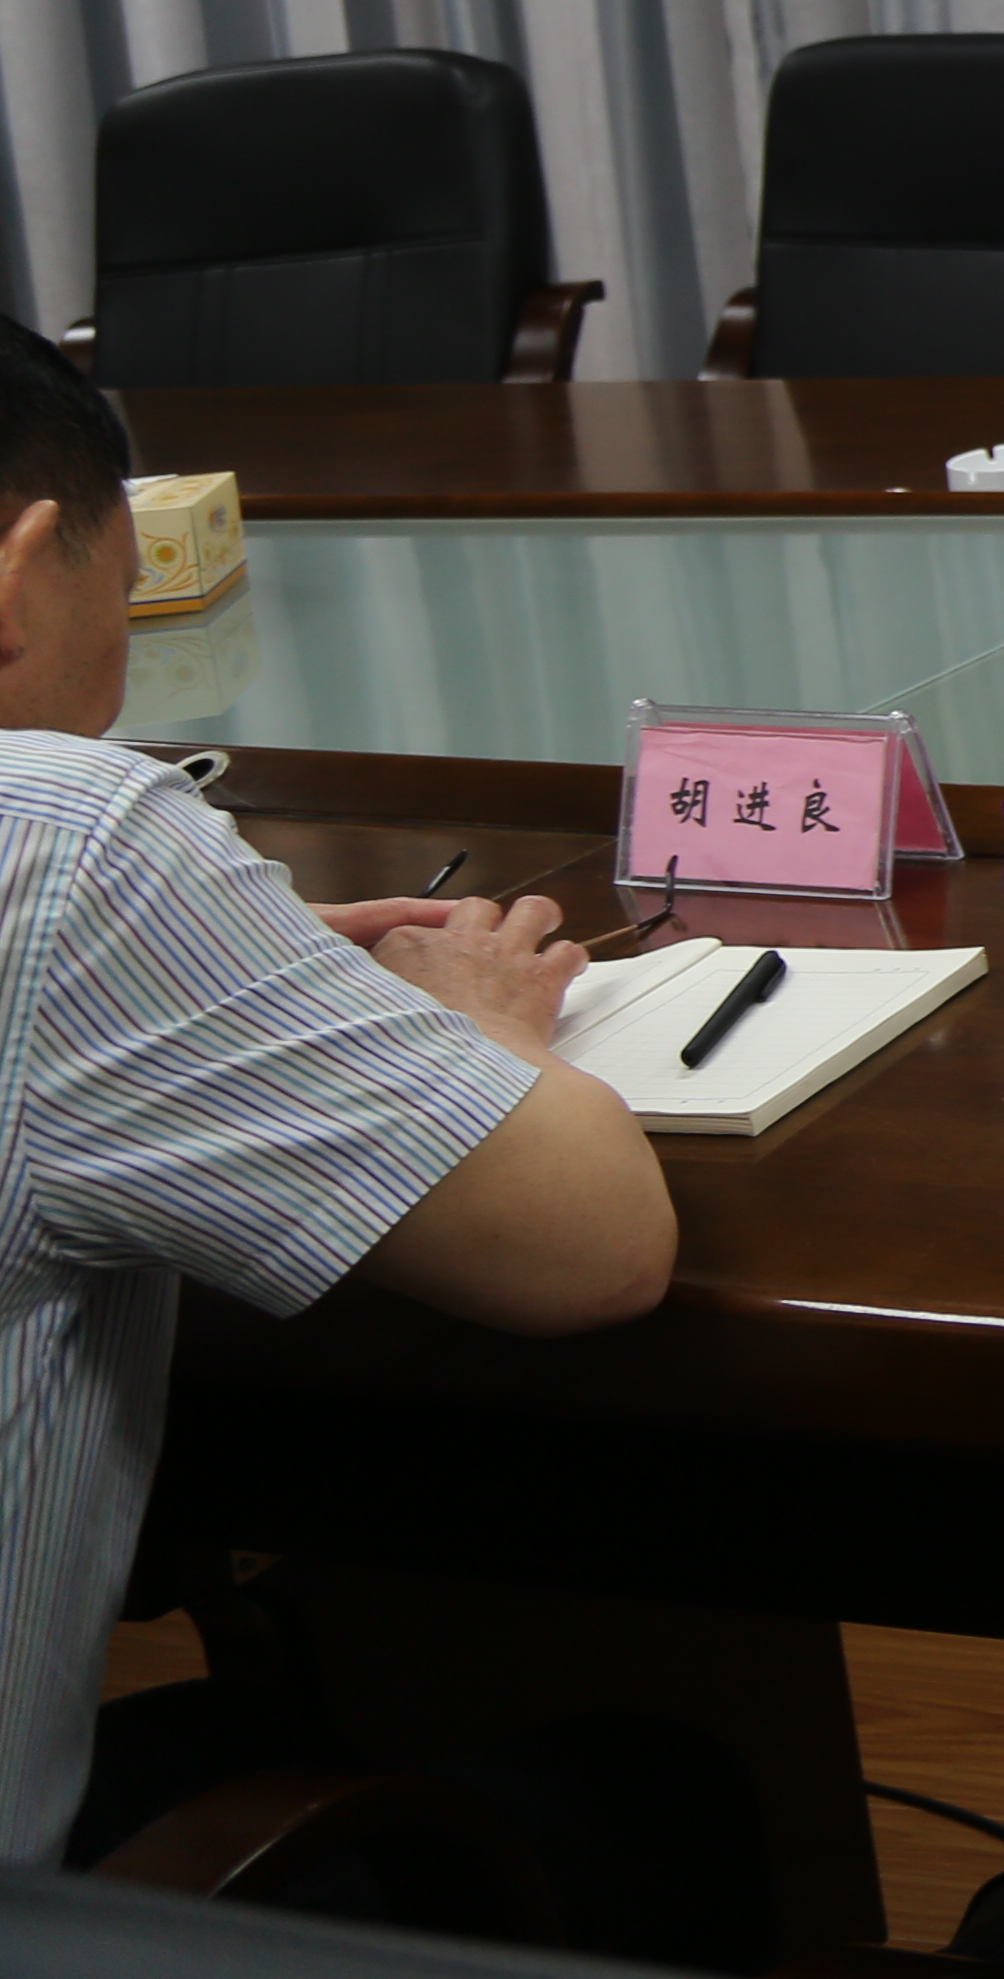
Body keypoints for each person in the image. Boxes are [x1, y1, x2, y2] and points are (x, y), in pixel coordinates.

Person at [0, 321, 670, 1867]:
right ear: (23, 567)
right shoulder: (62, 834)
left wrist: (221, 963)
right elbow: (592, 1247)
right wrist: (486, 1023)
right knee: (644, 1796)